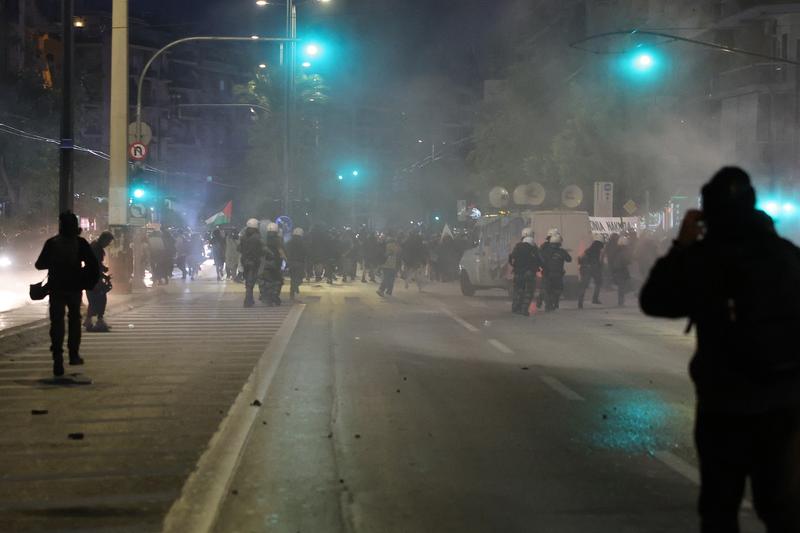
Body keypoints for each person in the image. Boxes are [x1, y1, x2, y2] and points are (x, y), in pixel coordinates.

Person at [640, 167, 800, 533]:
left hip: (724, 403)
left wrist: (682, 245)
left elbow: (655, 300)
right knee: (783, 507)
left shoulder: (703, 259)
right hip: (784, 402)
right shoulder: (787, 256)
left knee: (720, 506)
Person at [35, 212, 100, 377]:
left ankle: (57, 358)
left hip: (56, 288)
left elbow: (39, 264)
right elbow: (93, 264)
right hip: (74, 288)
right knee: (74, 320)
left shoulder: (52, 243)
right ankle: (73, 354)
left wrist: (55, 263)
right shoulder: (80, 243)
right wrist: (86, 280)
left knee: (56, 322)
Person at [84, 231, 114, 332]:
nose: (108, 244)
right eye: (108, 241)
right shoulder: (96, 248)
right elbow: (95, 265)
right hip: (93, 278)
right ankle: (98, 321)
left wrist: (103, 272)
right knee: (100, 299)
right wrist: (103, 272)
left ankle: (90, 321)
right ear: (104, 239)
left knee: (94, 300)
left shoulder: (94, 245)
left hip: (91, 277)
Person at [509, 234, 541, 316]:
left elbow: (511, 257)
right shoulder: (534, 249)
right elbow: (540, 260)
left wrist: (514, 266)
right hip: (529, 274)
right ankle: (524, 309)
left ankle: (515, 308)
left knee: (517, 291)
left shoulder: (517, 247)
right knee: (528, 292)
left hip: (518, 273)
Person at [541, 233, 571, 312]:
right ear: (559, 243)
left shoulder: (545, 251)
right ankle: (554, 303)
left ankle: (548, 305)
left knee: (547, 290)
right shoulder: (562, 251)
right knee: (557, 289)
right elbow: (569, 259)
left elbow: (540, 260)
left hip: (547, 274)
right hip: (558, 275)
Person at [239, 218, 263, 308]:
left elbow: (239, 248)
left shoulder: (243, 236)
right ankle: (248, 300)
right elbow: (262, 249)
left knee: (248, 281)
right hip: (254, 261)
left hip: (245, 261)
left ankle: (249, 299)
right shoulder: (257, 237)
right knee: (251, 281)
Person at [260, 222, 285, 306]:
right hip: (276, 264)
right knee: (278, 281)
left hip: (265, 264)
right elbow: (281, 252)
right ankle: (275, 297)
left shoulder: (264, 240)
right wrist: (286, 260)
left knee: (266, 281)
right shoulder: (278, 241)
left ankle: (266, 297)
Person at [577, 237, 604, 309]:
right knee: (598, 283)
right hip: (594, 269)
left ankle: (580, 302)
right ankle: (595, 299)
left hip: (585, 269)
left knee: (583, 286)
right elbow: (600, 262)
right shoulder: (599, 252)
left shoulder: (587, 251)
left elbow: (579, 259)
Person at [610, 235, 632, 307]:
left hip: (617, 269)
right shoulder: (623, 250)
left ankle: (621, 301)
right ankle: (621, 302)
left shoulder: (616, 249)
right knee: (622, 286)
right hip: (622, 269)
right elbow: (625, 260)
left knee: (621, 286)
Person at [376, 232, 401, 297]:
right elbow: (397, 252)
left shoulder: (384, 245)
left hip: (385, 263)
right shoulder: (393, 245)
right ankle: (385, 290)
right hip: (391, 264)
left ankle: (386, 290)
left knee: (387, 277)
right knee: (389, 278)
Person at [286, 227, 308, 300]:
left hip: (291, 262)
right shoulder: (302, 242)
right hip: (299, 262)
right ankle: (295, 287)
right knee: (300, 278)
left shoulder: (289, 242)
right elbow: (305, 252)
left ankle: (292, 293)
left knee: (293, 278)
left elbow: (286, 251)